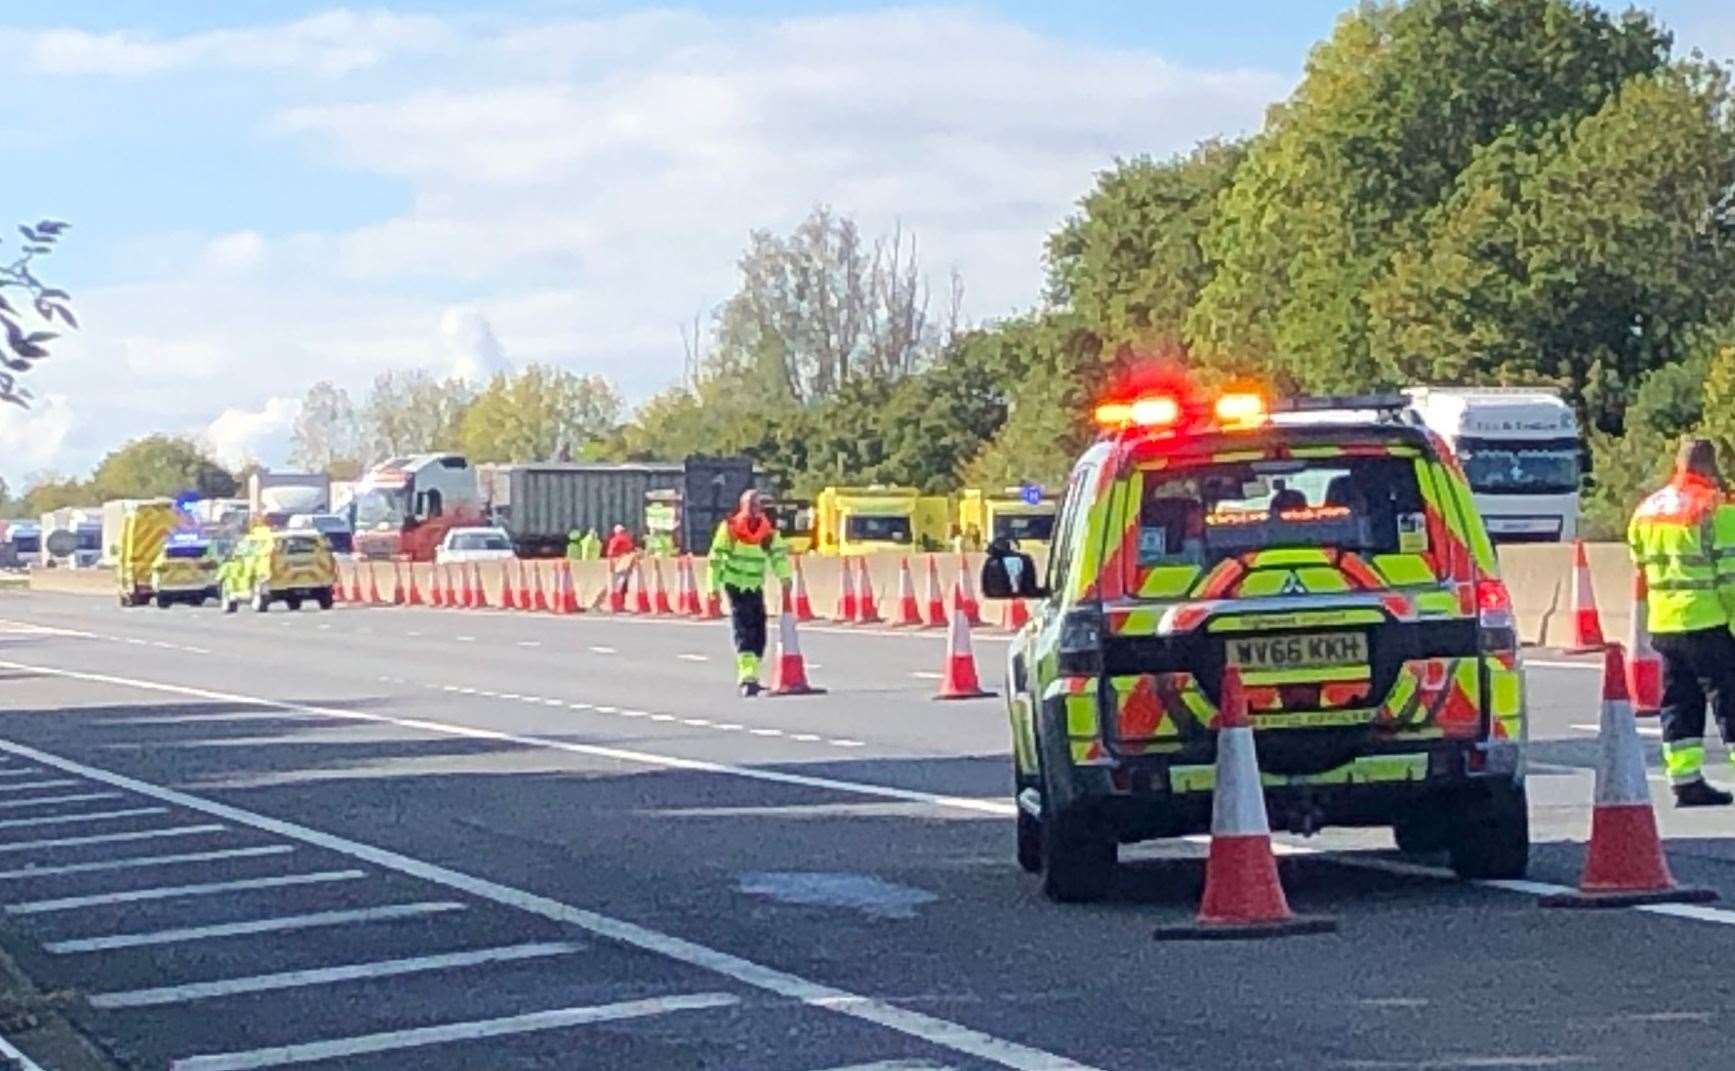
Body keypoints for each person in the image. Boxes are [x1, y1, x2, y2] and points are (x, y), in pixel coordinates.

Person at [1628, 438, 1735, 807]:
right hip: (1708, 621)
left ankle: (1685, 781)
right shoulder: (1715, 509)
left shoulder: (1647, 509)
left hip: (1665, 625)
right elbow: (1730, 579)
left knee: (1679, 703)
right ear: (1710, 466)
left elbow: (1638, 562)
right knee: (1730, 700)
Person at [708, 490, 793, 696]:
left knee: (759, 630)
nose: (755, 509)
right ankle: (747, 677)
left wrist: (785, 577)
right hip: (735, 584)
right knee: (744, 629)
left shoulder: (766, 531)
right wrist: (713, 588)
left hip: (754, 585)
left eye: (758, 506)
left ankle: (753, 673)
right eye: (752, 505)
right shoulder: (730, 528)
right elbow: (716, 558)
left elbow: (778, 555)